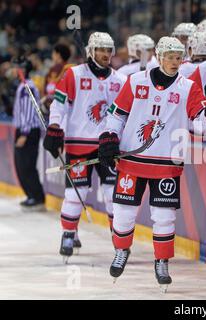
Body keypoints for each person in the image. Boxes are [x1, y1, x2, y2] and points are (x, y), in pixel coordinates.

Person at [99, 37, 206, 291]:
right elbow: (116, 115)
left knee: (164, 217)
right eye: (171, 56)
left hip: (166, 162)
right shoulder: (136, 81)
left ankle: (162, 261)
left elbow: (199, 123)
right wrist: (109, 137)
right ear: (159, 55)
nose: (176, 62)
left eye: (179, 57)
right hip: (132, 160)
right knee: (122, 212)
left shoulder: (188, 86)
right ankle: (121, 251)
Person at [44, 32, 127, 262]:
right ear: (91, 51)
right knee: (75, 193)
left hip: (108, 146)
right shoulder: (74, 74)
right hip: (78, 144)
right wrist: (54, 128)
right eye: (101, 50)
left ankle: (118, 241)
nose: (106, 54)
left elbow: (125, 114)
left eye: (109, 50)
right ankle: (68, 233)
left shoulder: (120, 81)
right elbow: (59, 105)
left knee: (113, 195)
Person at [12, 58, 45, 210]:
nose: (13, 70)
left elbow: (28, 111)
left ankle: (37, 197)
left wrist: (24, 133)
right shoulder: (23, 86)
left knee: (27, 165)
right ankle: (32, 195)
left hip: (28, 130)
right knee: (21, 165)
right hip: (25, 130)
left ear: (22, 70)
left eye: (16, 68)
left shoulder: (27, 87)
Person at [42, 43, 73, 115]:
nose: (52, 56)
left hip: (55, 104)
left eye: (53, 53)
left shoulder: (56, 68)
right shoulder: (72, 68)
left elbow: (50, 88)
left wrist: (46, 98)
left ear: (58, 54)